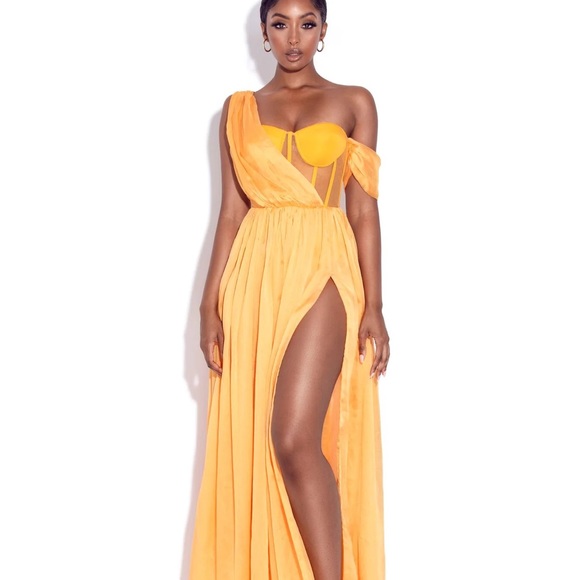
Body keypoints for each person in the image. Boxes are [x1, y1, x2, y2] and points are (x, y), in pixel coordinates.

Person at [190, 0, 390, 577]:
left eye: (307, 24)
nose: (294, 38)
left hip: (324, 261)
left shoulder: (354, 102)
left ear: (324, 30)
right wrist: (208, 305)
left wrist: (375, 304)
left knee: (295, 436)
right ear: (264, 32)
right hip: (254, 273)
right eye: (280, 24)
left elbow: (364, 211)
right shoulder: (238, 110)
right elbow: (231, 213)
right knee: (262, 438)